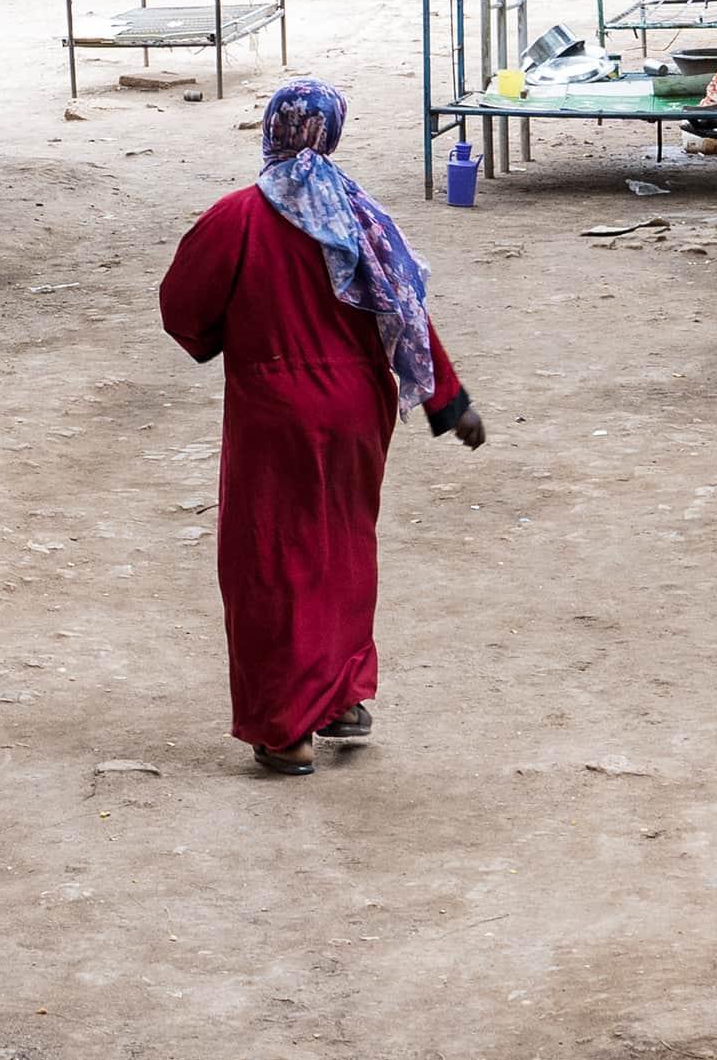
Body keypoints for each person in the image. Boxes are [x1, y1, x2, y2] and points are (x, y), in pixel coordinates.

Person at [157, 80, 487, 776]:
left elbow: (182, 307)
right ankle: (341, 697)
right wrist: (447, 402)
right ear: (330, 133)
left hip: (275, 413)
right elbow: (405, 312)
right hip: (356, 415)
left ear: (273, 129)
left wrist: (219, 337)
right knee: (341, 549)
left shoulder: (238, 217)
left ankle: (287, 728)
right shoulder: (359, 215)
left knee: (271, 560)